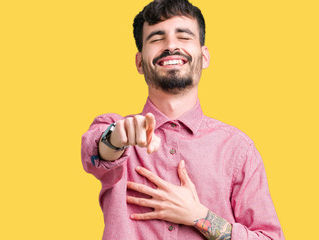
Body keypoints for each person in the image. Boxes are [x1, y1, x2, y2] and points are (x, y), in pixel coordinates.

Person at [81, 0, 285, 239]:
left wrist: (200, 216)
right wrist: (116, 138)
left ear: (204, 56)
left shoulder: (238, 149)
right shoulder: (116, 128)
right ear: (139, 61)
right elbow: (96, 150)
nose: (171, 46)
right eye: (157, 38)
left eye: (184, 37)